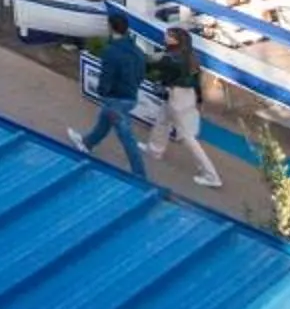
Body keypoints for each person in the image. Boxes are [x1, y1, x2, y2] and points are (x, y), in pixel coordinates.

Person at [146, 26, 226, 188]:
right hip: (187, 95)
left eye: (168, 36)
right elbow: (196, 81)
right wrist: (199, 99)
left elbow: (154, 66)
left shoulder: (171, 57)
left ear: (176, 40)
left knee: (187, 137)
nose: (165, 37)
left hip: (176, 96)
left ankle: (211, 176)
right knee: (162, 120)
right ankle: (154, 150)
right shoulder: (190, 56)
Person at [67, 31, 151, 178]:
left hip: (116, 99)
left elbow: (107, 75)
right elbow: (140, 74)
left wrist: (103, 92)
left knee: (126, 136)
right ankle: (87, 143)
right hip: (127, 97)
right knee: (104, 120)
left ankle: (139, 174)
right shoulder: (137, 53)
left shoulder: (113, 53)